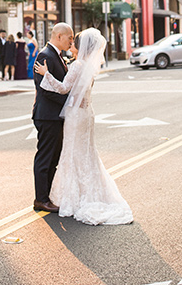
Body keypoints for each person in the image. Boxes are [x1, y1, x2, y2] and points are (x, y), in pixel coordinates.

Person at [35, 28, 133, 225]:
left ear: (80, 47)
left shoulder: (78, 65)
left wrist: (46, 74)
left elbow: (63, 89)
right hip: (86, 114)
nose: (71, 43)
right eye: (69, 39)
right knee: (85, 154)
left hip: (75, 117)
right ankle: (87, 192)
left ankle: (73, 196)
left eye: (74, 40)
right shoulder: (87, 66)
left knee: (73, 154)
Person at [31, 22, 75, 213]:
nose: (71, 41)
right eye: (70, 38)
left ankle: (47, 196)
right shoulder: (45, 55)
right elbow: (45, 89)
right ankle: (40, 199)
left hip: (55, 116)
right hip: (47, 116)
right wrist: (70, 102)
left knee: (53, 158)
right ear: (59, 36)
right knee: (45, 158)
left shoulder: (57, 56)